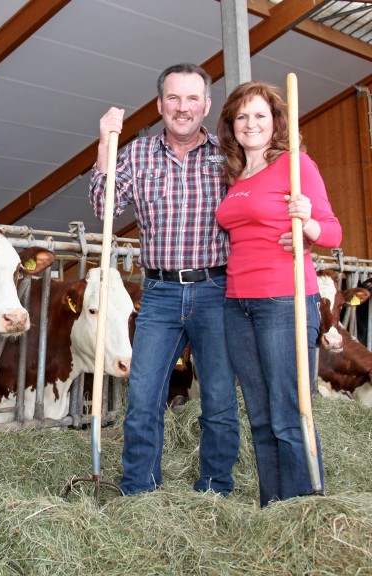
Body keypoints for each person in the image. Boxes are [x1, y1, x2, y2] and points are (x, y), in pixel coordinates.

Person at [88, 63, 240, 496]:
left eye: (193, 98)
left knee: (219, 399)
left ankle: (215, 489)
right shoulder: (135, 153)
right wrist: (105, 143)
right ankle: (139, 490)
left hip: (216, 289)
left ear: (207, 105)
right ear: (159, 105)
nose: (182, 107)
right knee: (143, 397)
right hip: (159, 292)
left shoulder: (227, 155)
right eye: (173, 98)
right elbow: (104, 207)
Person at [215, 81, 341, 507]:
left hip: (284, 300)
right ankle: (274, 507)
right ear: (232, 124)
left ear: (275, 123)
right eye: (243, 116)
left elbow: (333, 231)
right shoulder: (235, 176)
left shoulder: (295, 165)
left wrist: (307, 227)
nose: (251, 124)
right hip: (238, 304)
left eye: (260, 116)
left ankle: (305, 508)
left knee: (289, 413)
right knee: (261, 415)